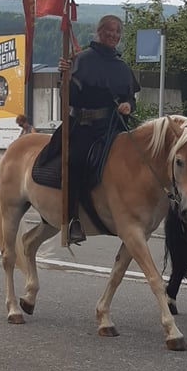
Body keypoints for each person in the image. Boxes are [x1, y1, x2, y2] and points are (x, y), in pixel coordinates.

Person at [57, 14, 140, 244]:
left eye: (117, 31)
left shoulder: (122, 66)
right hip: (84, 125)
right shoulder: (80, 60)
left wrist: (128, 105)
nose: (113, 35)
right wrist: (64, 76)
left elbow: (130, 98)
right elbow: (69, 98)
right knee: (75, 162)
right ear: (99, 32)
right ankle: (72, 219)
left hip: (113, 126)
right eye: (109, 30)